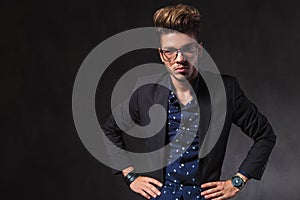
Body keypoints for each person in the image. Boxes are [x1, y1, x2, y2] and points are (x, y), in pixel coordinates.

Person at [103, 3, 276, 200]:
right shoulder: (145, 91)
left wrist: (238, 181)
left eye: (188, 49)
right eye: (170, 51)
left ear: (199, 50)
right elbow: (110, 130)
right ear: (161, 54)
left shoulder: (226, 90)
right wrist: (130, 176)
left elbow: (265, 135)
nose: (180, 58)